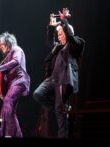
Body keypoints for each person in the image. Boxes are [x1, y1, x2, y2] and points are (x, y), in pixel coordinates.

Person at [33, 8, 85, 138]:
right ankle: (61, 109)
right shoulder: (58, 47)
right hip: (52, 80)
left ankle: (61, 110)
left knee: (61, 121)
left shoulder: (76, 45)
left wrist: (64, 21)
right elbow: (50, 41)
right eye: (59, 34)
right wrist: (51, 26)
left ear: (67, 33)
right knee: (38, 94)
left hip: (63, 81)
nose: (59, 36)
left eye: (61, 34)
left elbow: (71, 38)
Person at [0, 32, 30, 138]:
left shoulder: (17, 49)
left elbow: (16, 62)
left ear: (8, 42)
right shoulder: (7, 58)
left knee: (7, 102)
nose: (1, 46)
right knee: (11, 110)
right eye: (0, 45)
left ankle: (2, 133)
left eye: (2, 43)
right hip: (13, 85)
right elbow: (5, 78)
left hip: (20, 81)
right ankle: (18, 136)